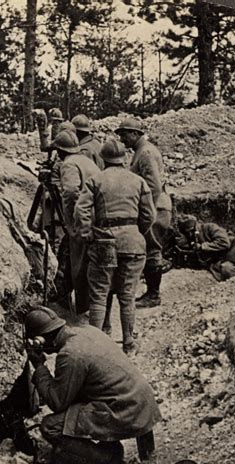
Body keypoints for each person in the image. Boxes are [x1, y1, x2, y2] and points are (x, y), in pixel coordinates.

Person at [24, 307, 162, 464]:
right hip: (141, 401)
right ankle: (124, 452)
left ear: (40, 340)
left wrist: (39, 365)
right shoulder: (89, 331)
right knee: (76, 405)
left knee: (51, 426)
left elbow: (57, 403)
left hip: (126, 410)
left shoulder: (70, 354)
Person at [75, 139, 156, 353]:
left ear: (103, 159)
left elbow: (80, 210)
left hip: (104, 241)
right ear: (124, 158)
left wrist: (87, 233)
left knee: (100, 294)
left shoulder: (95, 180)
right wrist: (135, 230)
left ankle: (97, 345)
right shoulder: (138, 181)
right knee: (127, 296)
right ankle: (129, 343)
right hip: (133, 242)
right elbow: (150, 215)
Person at [115, 118, 172, 307]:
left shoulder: (146, 153)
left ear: (135, 134)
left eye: (124, 135)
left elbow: (154, 186)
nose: (122, 140)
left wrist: (147, 211)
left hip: (156, 207)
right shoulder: (142, 151)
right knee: (149, 249)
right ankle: (151, 293)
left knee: (152, 249)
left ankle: (153, 295)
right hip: (155, 206)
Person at [52, 130, 100, 313]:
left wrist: (71, 220)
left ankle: (82, 309)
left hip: (84, 220)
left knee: (79, 263)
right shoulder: (86, 161)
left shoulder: (69, 164)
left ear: (60, 151)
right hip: (97, 218)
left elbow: (71, 192)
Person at [176, 215, 235, 280]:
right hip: (225, 259)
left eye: (192, 231)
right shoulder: (190, 239)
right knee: (227, 270)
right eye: (187, 233)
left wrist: (202, 246)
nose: (190, 234)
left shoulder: (209, 227)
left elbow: (224, 243)